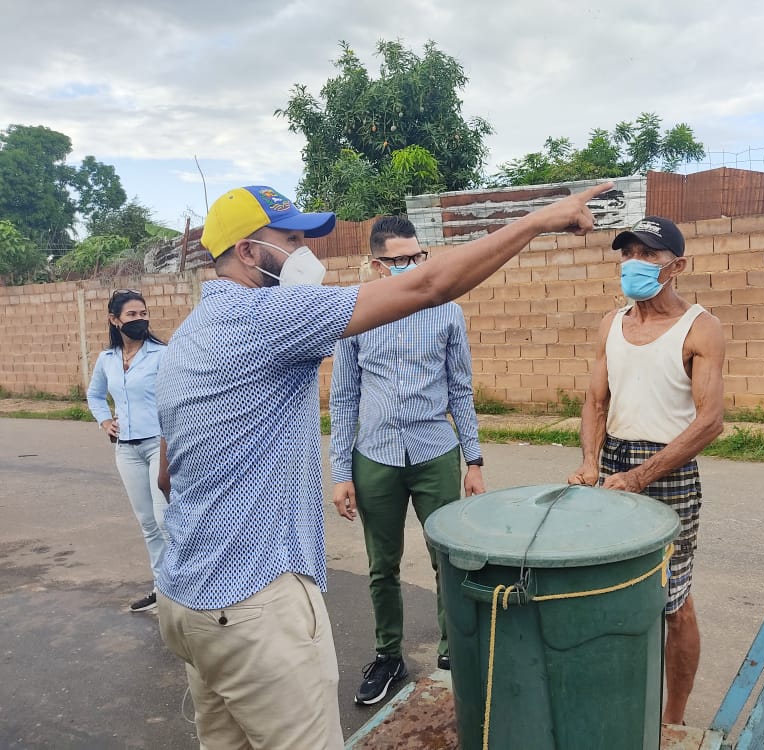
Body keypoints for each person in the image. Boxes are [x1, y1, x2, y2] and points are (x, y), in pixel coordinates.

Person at [155, 181, 612, 750]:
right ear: (247, 252)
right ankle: (387, 655)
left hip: (187, 601)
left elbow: (167, 477)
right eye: (291, 239)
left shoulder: (185, 338)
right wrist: (539, 219)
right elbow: (433, 283)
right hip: (255, 607)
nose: (306, 254)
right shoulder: (263, 314)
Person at [567, 216, 725, 726]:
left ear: (676, 266)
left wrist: (641, 477)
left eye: (648, 254)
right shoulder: (611, 324)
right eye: (627, 252)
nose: (633, 263)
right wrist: (590, 462)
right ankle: (612, 699)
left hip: (669, 472)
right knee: (605, 588)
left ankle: (671, 721)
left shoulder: (699, 326)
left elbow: (710, 422)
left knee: (672, 599)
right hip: (611, 462)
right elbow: (595, 400)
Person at [329, 216, 485, 707]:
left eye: (417, 257)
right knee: (382, 565)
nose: (412, 266)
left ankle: (452, 650)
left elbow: (460, 388)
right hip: (375, 455)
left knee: (448, 558)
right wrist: (339, 473)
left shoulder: (446, 312)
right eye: (399, 260)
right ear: (378, 265)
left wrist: (474, 461)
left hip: (434, 451)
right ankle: (388, 655)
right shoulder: (354, 314)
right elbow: (344, 399)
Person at [86, 289, 169, 613]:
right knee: (147, 522)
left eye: (143, 314)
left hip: (157, 445)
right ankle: (162, 588)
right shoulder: (106, 360)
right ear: (114, 320)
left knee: (165, 520)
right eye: (132, 315)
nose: (140, 320)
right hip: (126, 450)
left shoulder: (162, 354)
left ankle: (183, 587)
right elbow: (94, 396)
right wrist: (105, 421)